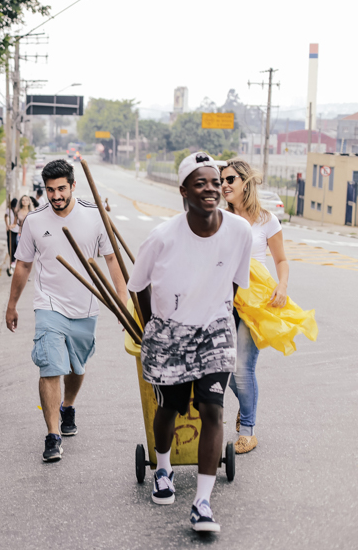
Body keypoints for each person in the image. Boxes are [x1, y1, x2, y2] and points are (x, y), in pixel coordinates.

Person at [129, 152, 252, 533]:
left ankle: (202, 503)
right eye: (201, 183)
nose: (212, 189)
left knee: (212, 409)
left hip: (215, 328)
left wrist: (218, 311)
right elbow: (138, 286)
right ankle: (162, 469)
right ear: (183, 191)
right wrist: (154, 328)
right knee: (170, 410)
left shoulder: (239, 232)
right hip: (169, 333)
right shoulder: (162, 236)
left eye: (216, 182)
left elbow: (234, 280)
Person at [5, 160, 128, 462]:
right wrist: (11, 305)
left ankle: (68, 405)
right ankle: (52, 434)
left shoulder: (95, 216)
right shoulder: (34, 220)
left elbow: (112, 261)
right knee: (50, 366)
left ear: (73, 185)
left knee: (77, 368)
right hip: (49, 304)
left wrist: (123, 306)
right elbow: (23, 264)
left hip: (85, 305)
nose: (56, 195)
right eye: (50, 190)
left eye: (61, 188)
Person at [221, 158, 289, 455]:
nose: (224, 185)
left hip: (255, 302)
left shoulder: (266, 220)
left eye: (230, 179)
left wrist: (282, 285)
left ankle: (248, 430)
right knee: (219, 368)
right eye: (221, 180)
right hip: (222, 300)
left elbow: (282, 260)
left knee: (242, 368)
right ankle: (245, 405)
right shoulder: (218, 218)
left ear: (245, 183)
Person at [5, 198, 20, 270]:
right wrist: (7, 225)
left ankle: (15, 260)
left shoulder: (19, 210)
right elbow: (6, 216)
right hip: (10, 231)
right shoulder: (9, 210)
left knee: (16, 246)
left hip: (17, 230)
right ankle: (12, 261)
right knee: (10, 246)